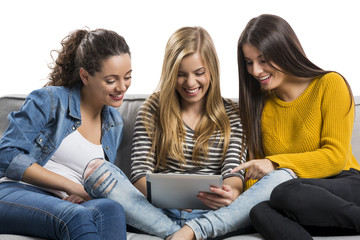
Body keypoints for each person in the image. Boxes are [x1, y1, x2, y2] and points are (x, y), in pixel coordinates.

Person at [82, 26, 295, 240]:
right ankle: (184, 234)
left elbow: (234, 172)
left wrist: (230, 194)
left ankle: (192, 232)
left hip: (214, 213)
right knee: (97, 171)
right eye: (181, 75)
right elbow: (139, 174)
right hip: (156, 212)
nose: (191, 83)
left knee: (281, 176)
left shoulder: (233, 113)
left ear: (211, 70)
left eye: (199, 73)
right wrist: (168, 199)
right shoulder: (153, 108)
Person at [232, 14, 360, 240]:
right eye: (249, 62)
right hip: (298, 200)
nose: (255, 71)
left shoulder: (330, 84)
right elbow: (256, 173)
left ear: (284, 51)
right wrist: (234, 194)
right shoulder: (258, 104)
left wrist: (275, 163)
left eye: (262, 60)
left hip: (344, 184)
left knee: (284, 191)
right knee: (258, 211)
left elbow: (335, 157)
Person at [0, 28, 132, 239]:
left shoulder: (114, 124)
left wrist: (80, 196)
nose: (122, 87)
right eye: (111, 80)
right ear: (85, 76)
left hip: (62, 203)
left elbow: (98, 180)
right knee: (76, 217)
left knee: (111, 209)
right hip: (15, 192)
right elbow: (6, 155)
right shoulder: (50, 101)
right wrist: (72, 188)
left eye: (127, 77)